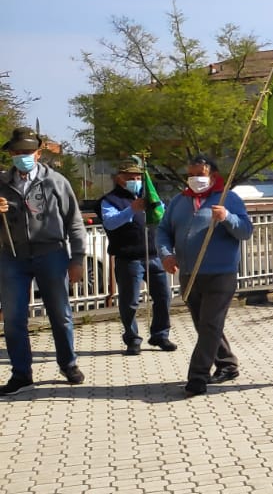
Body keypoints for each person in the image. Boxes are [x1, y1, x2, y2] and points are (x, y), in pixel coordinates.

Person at [158, 155, 253, 396]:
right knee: (205, 325)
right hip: (189, 274)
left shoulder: (228, 199)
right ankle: (227, 364)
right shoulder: (179, 201)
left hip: (220, 274)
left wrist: (227, 217)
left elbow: (245, 231)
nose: (194, 179)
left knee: (210, 324)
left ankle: (197, 376)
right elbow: (163, 231)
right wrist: (166, 254)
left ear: (213, 175)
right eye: (190, 175)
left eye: (199, 174)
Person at [0, 126, 86, 394]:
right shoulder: (1, 183)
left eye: (28, 151)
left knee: (60, 314)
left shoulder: (56, 181)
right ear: (10, 154)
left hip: (51, 253)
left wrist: (78, 258)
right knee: (13, 319)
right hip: (12, 256)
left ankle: (68, 364)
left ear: (38, 154)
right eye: (17, 152)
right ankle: (21, 374)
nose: (22, 156)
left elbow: (74, 222)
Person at [99, 157, 177, 355]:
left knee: (163, 297)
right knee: (130, 301)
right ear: (120, 178)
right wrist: (131, 210)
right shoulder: (109, 200)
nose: (136, 181)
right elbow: (110, 223)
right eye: (130, 177)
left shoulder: (150, 196)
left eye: (138, 177)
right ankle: (132, 338)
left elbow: (163, 217)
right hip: (129, 258)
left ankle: (160, 335)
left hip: (154, 255)